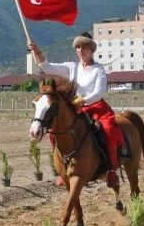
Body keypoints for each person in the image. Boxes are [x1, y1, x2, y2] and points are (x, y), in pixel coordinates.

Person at [27, 32, 125, 189]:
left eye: (84, 47)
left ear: (91, 49)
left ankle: (111, 170)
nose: (80, 50)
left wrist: (83, 100)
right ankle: (62, 169)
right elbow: (47, 67)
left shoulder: (98, 69)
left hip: (96, 107)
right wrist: (36, 51)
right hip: (75, 108)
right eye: (78, 47)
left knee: (108, 130)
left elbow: (99, 92)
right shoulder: (72, 67)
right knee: (54, 131)